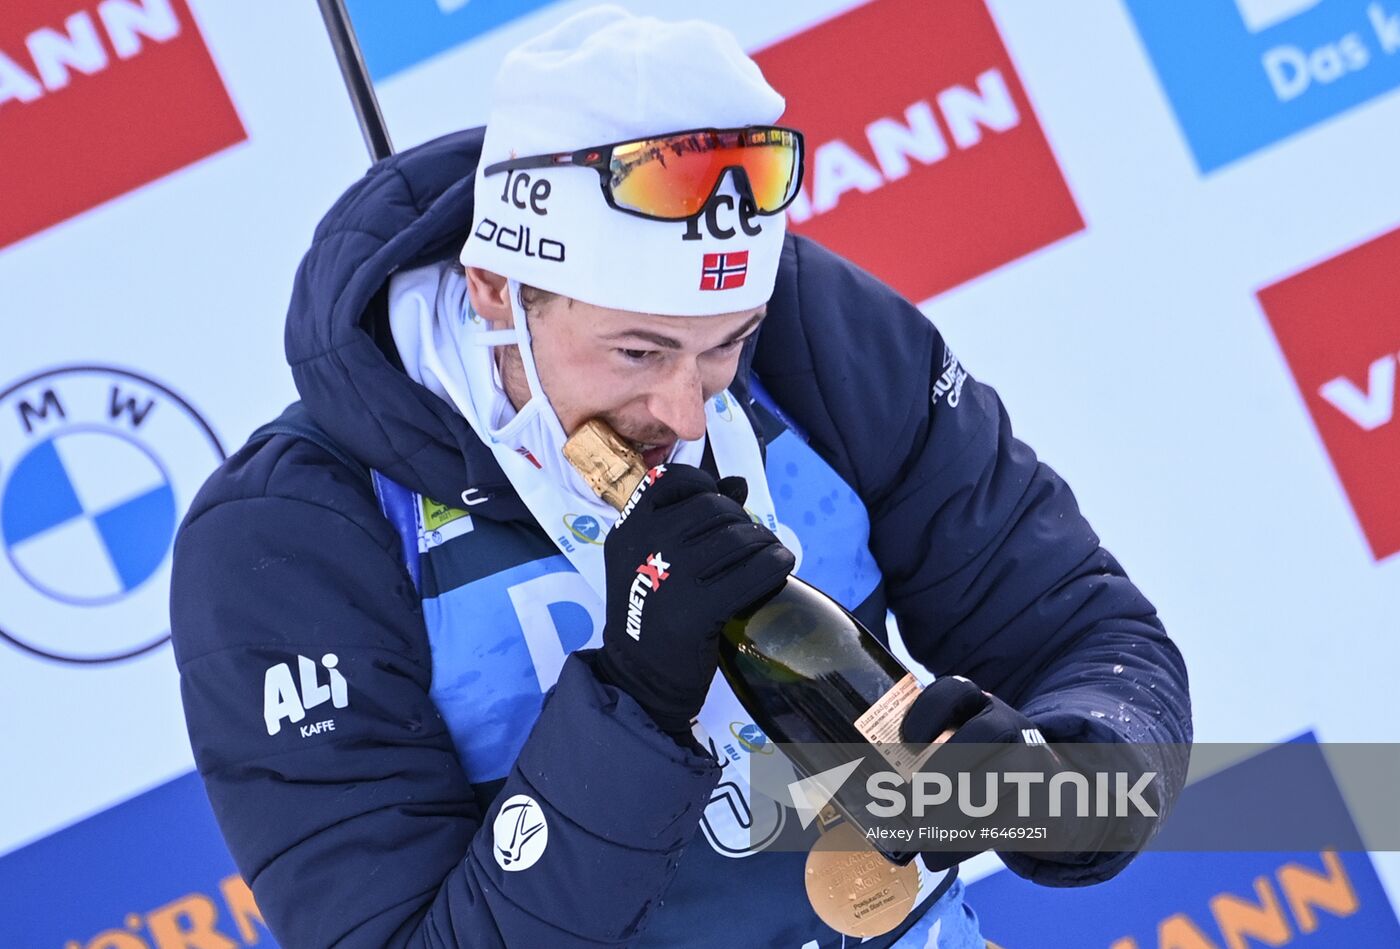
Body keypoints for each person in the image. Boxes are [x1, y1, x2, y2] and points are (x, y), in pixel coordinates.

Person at [170, 7, 1191, 948]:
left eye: (722, 349)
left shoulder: (815, 337)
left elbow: (1088, 636)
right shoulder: (292, 533)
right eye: (635, 353)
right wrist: (631, 699)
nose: (685, 413)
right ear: (494, 287)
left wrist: (1059, 799)